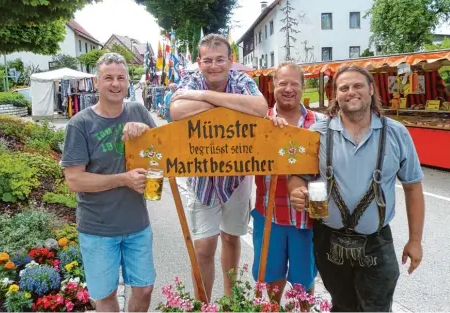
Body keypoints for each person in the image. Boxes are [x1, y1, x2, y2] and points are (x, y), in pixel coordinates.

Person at [288, 65, 425, 312]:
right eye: (344, 87)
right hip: (328, 241)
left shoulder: (396, 133)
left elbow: (413, 187)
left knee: (377, 308)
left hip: (376, 241)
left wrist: (415, 240)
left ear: (371, 90)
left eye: (358, 85)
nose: (351, 92)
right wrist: (296, 190)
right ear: (336, 95)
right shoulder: (316, 134)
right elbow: (297, 176)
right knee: (341, 306)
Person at [170, 33, 268, 301]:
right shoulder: (190, 79)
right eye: (208, 60)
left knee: (231, 238)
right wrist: (231, 105)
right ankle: (204, 305)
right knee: (203, 246)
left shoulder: (241, 80)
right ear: (199, 63)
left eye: (220, 60)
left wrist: (204, 96)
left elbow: (260, 107)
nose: (214, 66)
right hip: (201, 175)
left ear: (230, 61)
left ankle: (230, 300)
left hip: (236, 175)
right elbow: (176, 111)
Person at [61, 53, 157, 312]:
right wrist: (123, 179)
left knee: (145, 288)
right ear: (96, 82)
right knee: (106, 295)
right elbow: (74, 180)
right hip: (97, 228)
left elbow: (161, 152)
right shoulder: (80, 124)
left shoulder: (137, 110)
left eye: (120, 78)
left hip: (137, 223)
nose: (115, 84)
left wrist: (145, 132)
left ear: (128, 82)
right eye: (108, 78)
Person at [253, 61, 326, 303]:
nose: (288, 88)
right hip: (269, 215)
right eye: (282, 83)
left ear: (303, 87)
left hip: (307, 220)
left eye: (294, 83)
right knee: (272, 281)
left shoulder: (320, 123)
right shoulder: (259, 123)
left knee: (304, 285)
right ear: (273, 85)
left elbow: (330, 171)